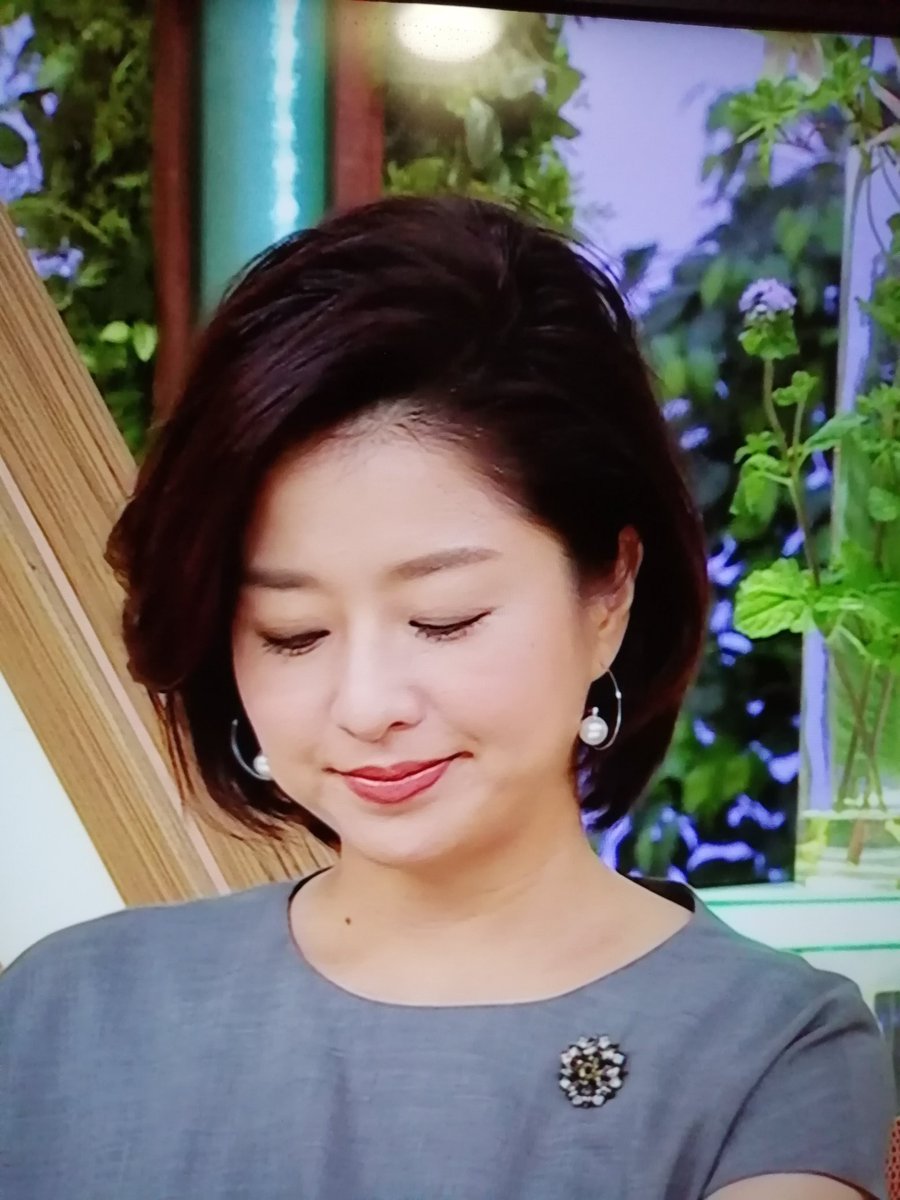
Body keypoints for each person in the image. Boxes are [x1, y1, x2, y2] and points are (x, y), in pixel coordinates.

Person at [0, 195, 893, 1200]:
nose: (366, 704)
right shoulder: (62, 1011)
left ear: (609, 595)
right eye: (293, 633)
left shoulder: (771, 1053)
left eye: (445, 617)